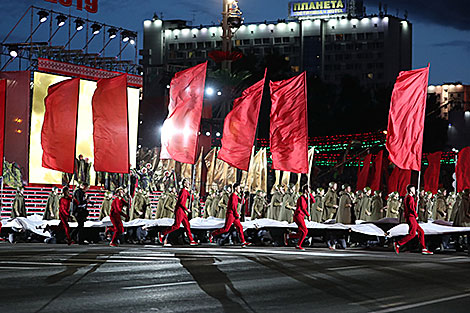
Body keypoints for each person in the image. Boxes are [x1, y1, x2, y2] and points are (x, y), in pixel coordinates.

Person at [394, 185, 433, 255]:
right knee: (412, 234)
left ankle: (423, 248)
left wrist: (416, 201)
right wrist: (416, 215)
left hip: (410, 217)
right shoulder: (409, 198)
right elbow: (412, 208)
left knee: (421, 232)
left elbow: (412, 206)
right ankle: (398, 243)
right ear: (411, 190)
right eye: (414, 189)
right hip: (411, 217)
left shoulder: (408, 198)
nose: (415, 190)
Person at [158, 179, 198, 246]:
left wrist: (191, 194)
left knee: (187, 225)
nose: (189, 184)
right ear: (184, 184)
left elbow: (192, 199)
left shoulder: (186, 191)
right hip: (179, 210)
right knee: (176, 226)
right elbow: (181, 203)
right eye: (188, 183)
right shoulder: (183, 191)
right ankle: (163, 233)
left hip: (182, 210)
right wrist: (187, 209)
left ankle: (191, 240)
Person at [284, 185, 314, 251]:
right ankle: (298, 244)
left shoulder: (306, 198)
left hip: (301, 216)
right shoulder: (301, 198)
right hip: (298, 215)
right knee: (305, 231)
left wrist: (310, 194)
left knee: (301, 232)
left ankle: (290, 236)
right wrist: (308, 215)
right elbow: (303, 208)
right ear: (305, 190)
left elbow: (313, 201)